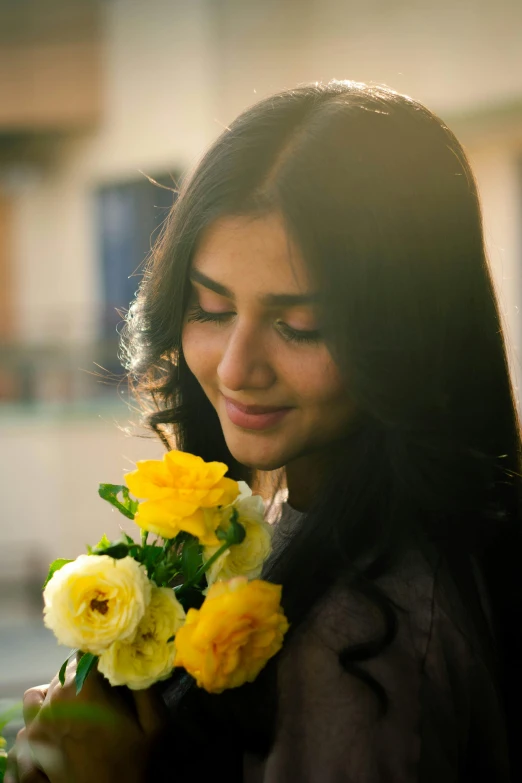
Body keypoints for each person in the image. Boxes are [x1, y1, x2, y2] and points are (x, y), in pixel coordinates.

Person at [7, 80, 521, 782]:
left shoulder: (358, 645)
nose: (237, 368)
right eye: (211, 308)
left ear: (409, 331)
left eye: (298, 326)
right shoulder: (343, 531)